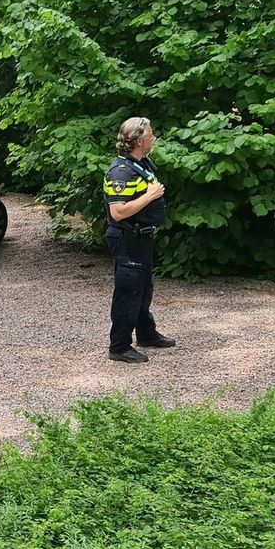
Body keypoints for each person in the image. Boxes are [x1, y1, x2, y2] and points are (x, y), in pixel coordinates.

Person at [103, 116, 175, 364]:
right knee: (128, 290)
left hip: (143, 237)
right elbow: (118, 211)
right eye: (151, 135)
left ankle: (145, 332)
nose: (153, 138)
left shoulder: (141, 164)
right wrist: (150, 196)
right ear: (139, 140)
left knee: (144, 288)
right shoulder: (121, 171)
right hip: (127, 238)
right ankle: (119, 346)